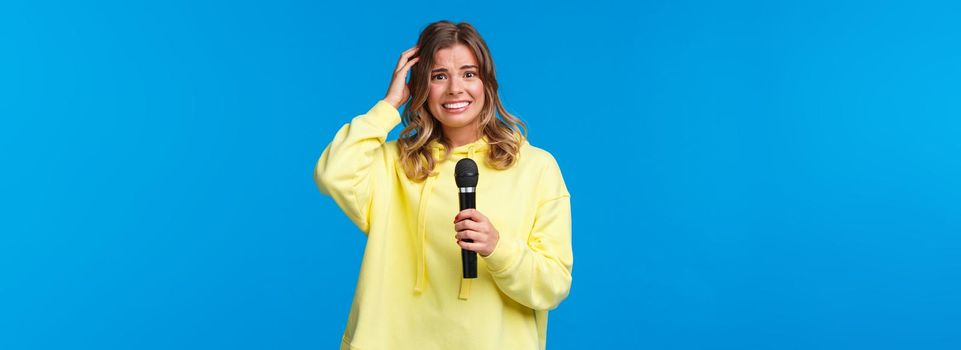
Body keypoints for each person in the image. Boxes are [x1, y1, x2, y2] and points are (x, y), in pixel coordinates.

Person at [314, 20, 573, 350]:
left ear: (487, 84)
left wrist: (498, 247)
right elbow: (333, 172)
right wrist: (388, 105)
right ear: (421, 86)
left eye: (468, 74)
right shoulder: (394, 163)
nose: (454, 89)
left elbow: (552, 286)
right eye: (439, 76)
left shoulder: (536, 168)